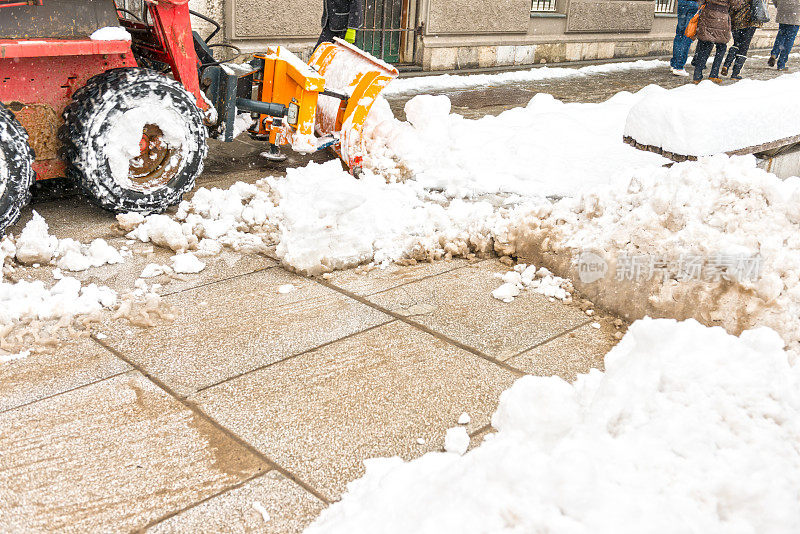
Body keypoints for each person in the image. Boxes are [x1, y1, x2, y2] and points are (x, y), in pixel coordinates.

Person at [692, 0, 733, 83]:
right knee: (721, 47)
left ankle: (697, 76)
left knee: (704, 47)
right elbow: (736, 4)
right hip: (722, 19)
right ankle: (713, 74)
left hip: (708, 16)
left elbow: (699, 1)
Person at [720, 0, 762, 78]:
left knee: (736, 43)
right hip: (749, 20)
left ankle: (726, 65)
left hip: (735, 19)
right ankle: (735, 73)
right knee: (744, 47)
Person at [670, 0, 701, 75]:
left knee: (679, 34)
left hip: (682, 3)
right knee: (688, 34)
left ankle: (674, 64)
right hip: (693, 3)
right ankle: (679, 67)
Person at [768, 0, 800, 70]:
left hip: (783, 11)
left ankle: (774, 54)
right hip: (795, 12)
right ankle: (781, 64)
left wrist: (779, 4)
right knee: (789, 39)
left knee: (781, 36)